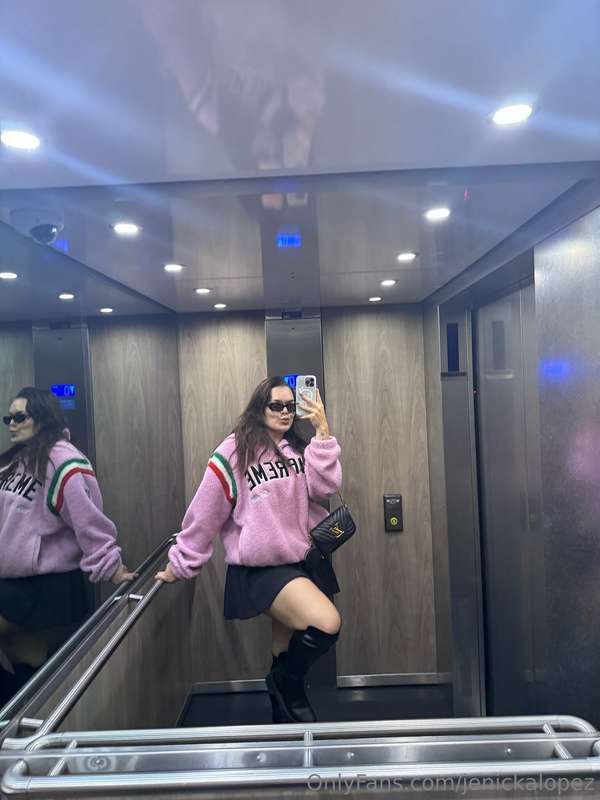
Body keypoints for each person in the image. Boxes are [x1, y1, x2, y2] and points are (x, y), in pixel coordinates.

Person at [156, 376, 342, 723]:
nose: (285, 413)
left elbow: (325, 488)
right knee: (326, 622)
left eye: (291, 406)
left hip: (299, 560)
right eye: (276, 406)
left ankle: (282, 719)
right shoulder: (233, 452)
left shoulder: (297, 449)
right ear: (259, 408)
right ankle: (286, 685)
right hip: (260, 569)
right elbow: (205, 511)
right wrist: (180, 563)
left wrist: (322, 434)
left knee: (283, 644)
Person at [0, 388, 135, 705]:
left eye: (20, 417)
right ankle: (24, 722)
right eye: (9, 418)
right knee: (21, 663)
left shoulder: (64, 462)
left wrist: (111, 565)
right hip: (11, 582)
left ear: (43, 418)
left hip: (43, 585)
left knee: (26, 662)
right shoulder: (14, 462)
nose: (12, 424)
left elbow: (87, 519)